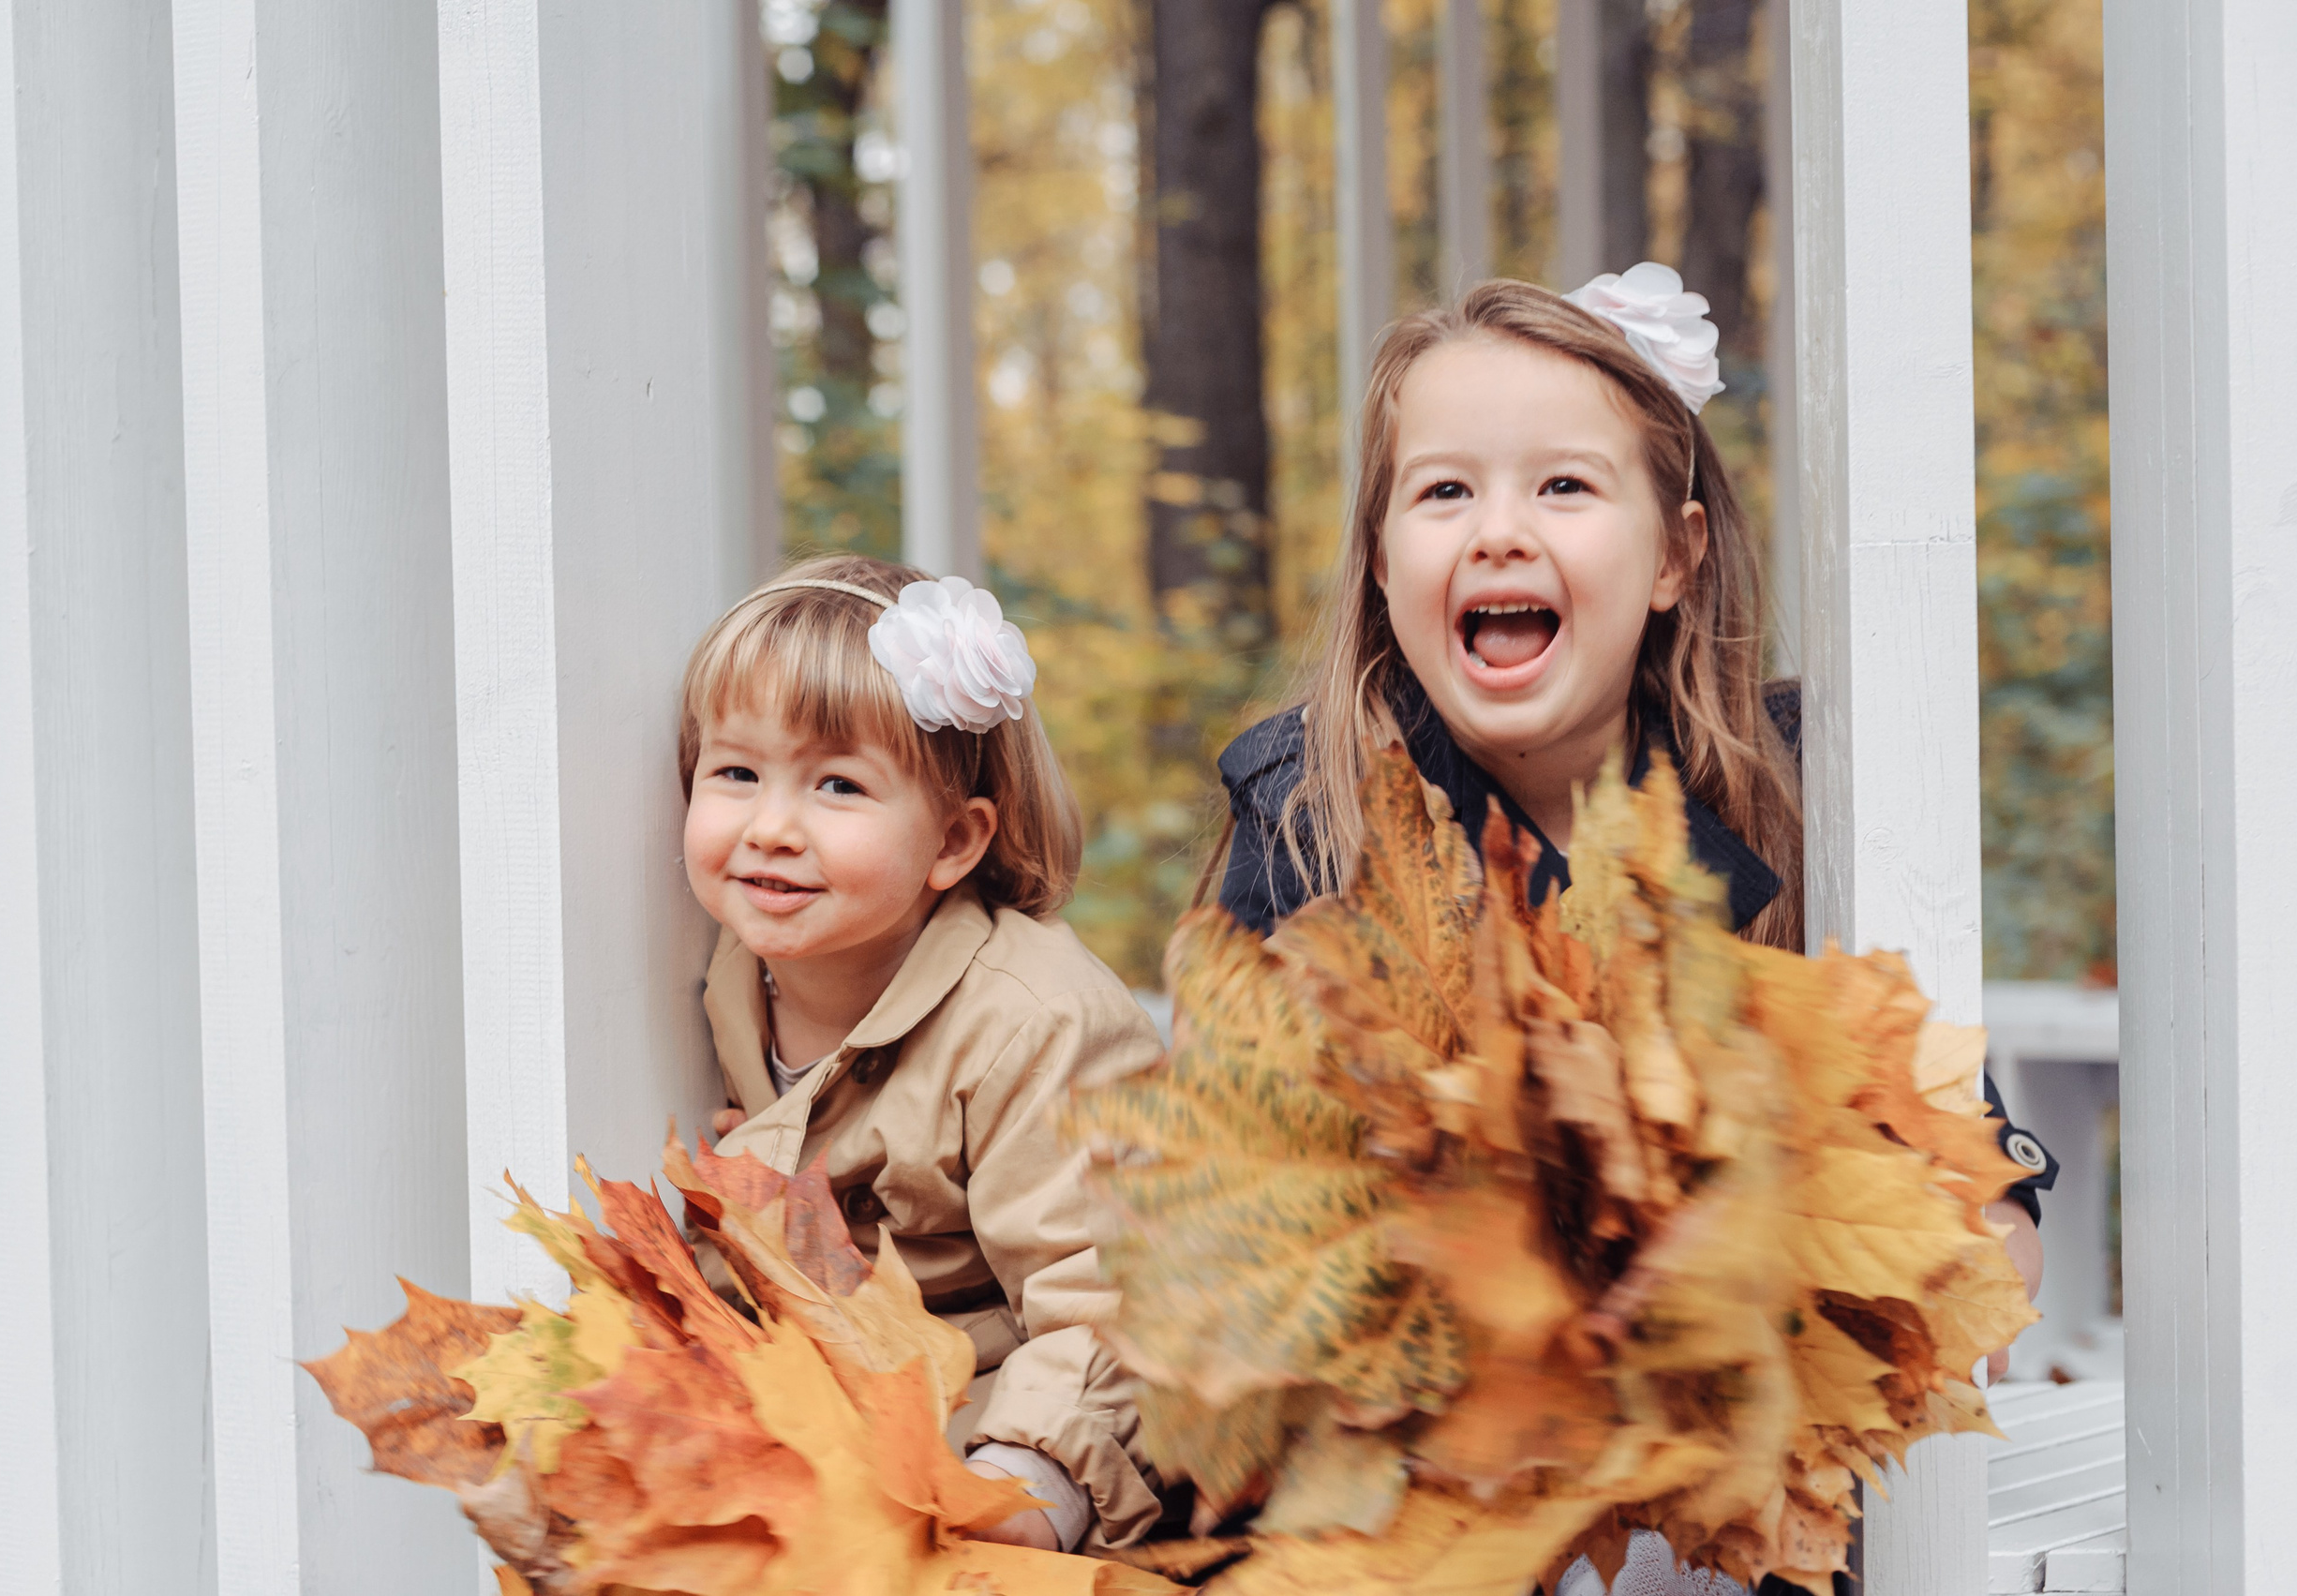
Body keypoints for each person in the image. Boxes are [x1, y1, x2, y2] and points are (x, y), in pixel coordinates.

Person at [1202, 268, 2054, 1595]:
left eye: (1563, 485)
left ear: (1673, 556)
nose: (1498, 531)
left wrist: (1934, 1259)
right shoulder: (1314, 818)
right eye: (1444, 491)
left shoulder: (1802, 798)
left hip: (1743, 1471)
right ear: (1379, 562)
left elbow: (1970, 1182)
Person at [679, 553, 1161, 1554]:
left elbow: (1107, 1298)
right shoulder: (731, 972)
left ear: (952, 841)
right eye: (737, 773)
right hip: (830, 1417)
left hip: (999, 1427)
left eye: (838, 784)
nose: (771, 827)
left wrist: (1023, 1484)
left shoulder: (1036, 1024)